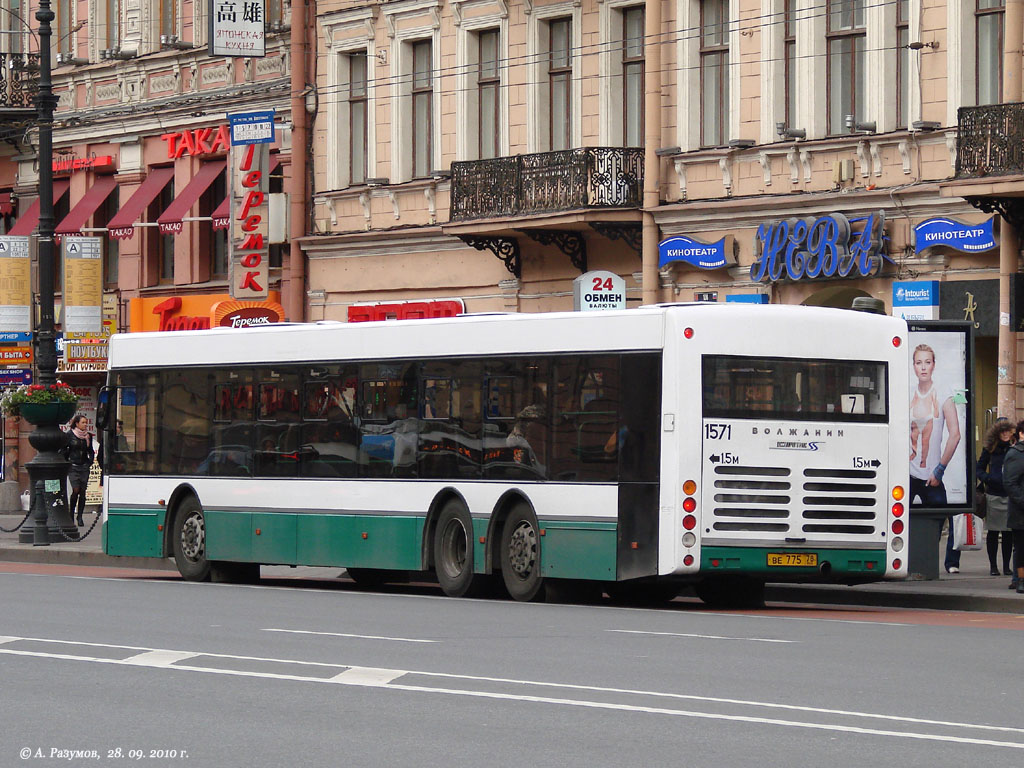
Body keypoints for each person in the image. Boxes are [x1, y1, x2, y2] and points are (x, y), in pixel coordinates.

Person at [908, 344, 962, 572]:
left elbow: (955, 434)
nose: (923, 367)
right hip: (908, 474)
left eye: (927, 362)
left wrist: (940, 468)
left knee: (941, 519)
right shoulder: (906, 392)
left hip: (932, 476)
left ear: (934, 365)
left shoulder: (944, 396)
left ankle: (948, 563)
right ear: (913, 365)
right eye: (918, 362)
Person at [977, 419, 1015, 576]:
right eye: (1002, 431)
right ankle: (993, 566)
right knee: (993, 532)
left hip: (1010, 495)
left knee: (1008, 533)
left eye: (1008, 431)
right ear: (997, 433)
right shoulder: (990, 449)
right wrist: (988, 478)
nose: (1005, 434)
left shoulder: (1015, 448)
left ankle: (1006, 566)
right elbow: (978, 468)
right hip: (993, 494)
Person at [997, 419, 1024, 593]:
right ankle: (1020, 579)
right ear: (1021, 434)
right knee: (1021, 548)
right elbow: (1010, 483)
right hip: (1020, 512)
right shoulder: (1016, 454)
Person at [61, 413, 95, 527]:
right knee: (76, 490)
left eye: (86, 422)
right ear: (77, 423)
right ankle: (71, 514)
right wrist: (66, 462)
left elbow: (90, 450)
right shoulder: (69, 435)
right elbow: (64, 450)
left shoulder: (88, 436)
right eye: (83, 422)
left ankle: (79, 516)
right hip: (73, 466)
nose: (85, 425)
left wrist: (90, 461)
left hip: (84, 466)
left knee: (83, 492)